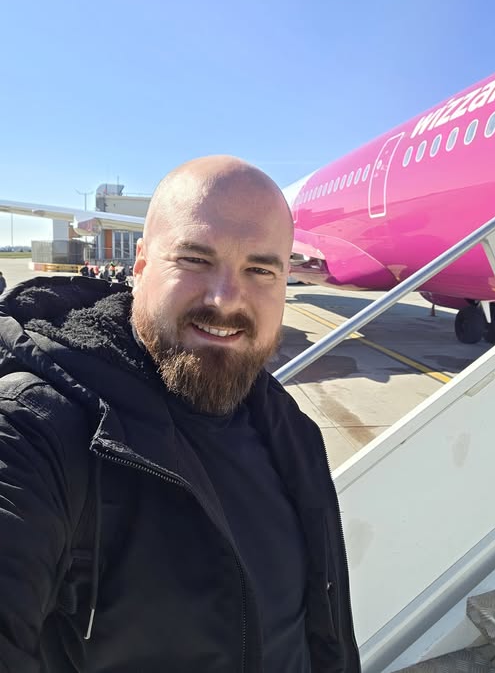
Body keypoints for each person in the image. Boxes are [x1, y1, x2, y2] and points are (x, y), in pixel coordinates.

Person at [0, 156, 360, 672]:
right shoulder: (35, 429)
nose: (225, 299)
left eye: (260, 270)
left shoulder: (289, 428)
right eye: (195, 259)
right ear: (141, 265)